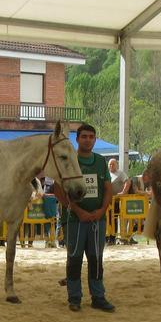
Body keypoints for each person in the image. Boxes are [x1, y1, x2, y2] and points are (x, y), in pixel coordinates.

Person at [52, 123, 114, 312]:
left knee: (96, 259)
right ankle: (74, 297)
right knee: (74, 258)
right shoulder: (69, 160)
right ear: (77, 139)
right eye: (84, 136)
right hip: (75, 220)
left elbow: (108, 189)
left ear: (95, 139)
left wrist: (101, 210)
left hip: (97, 220)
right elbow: (57, 190)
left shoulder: (101, 162)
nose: (88, 140)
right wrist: (77, 210)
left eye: (91, 137)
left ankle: (98, 296)